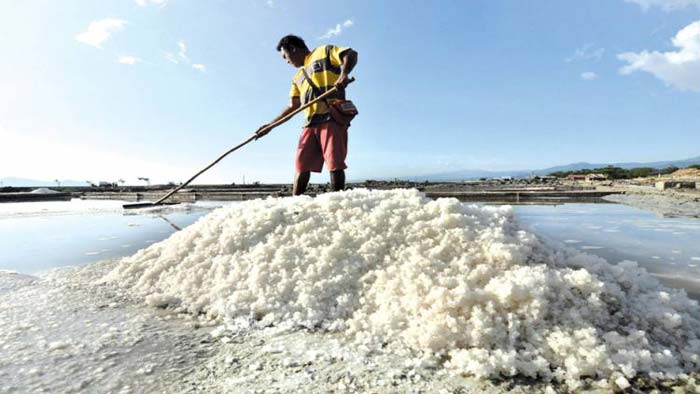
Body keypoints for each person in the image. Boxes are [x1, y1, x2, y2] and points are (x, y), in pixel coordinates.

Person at [255, 34, 358, 195]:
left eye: (285, 56)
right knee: (301, 166)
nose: (286, 61)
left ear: (293, 49)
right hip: (310, 123)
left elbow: (350, 54)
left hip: (331, 117)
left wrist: (343, 74)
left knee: (334, 163)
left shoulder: (324, 51)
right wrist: (270, 126)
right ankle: (295, 203)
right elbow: (293, 107)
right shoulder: (297, 77)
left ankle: (336, 202)